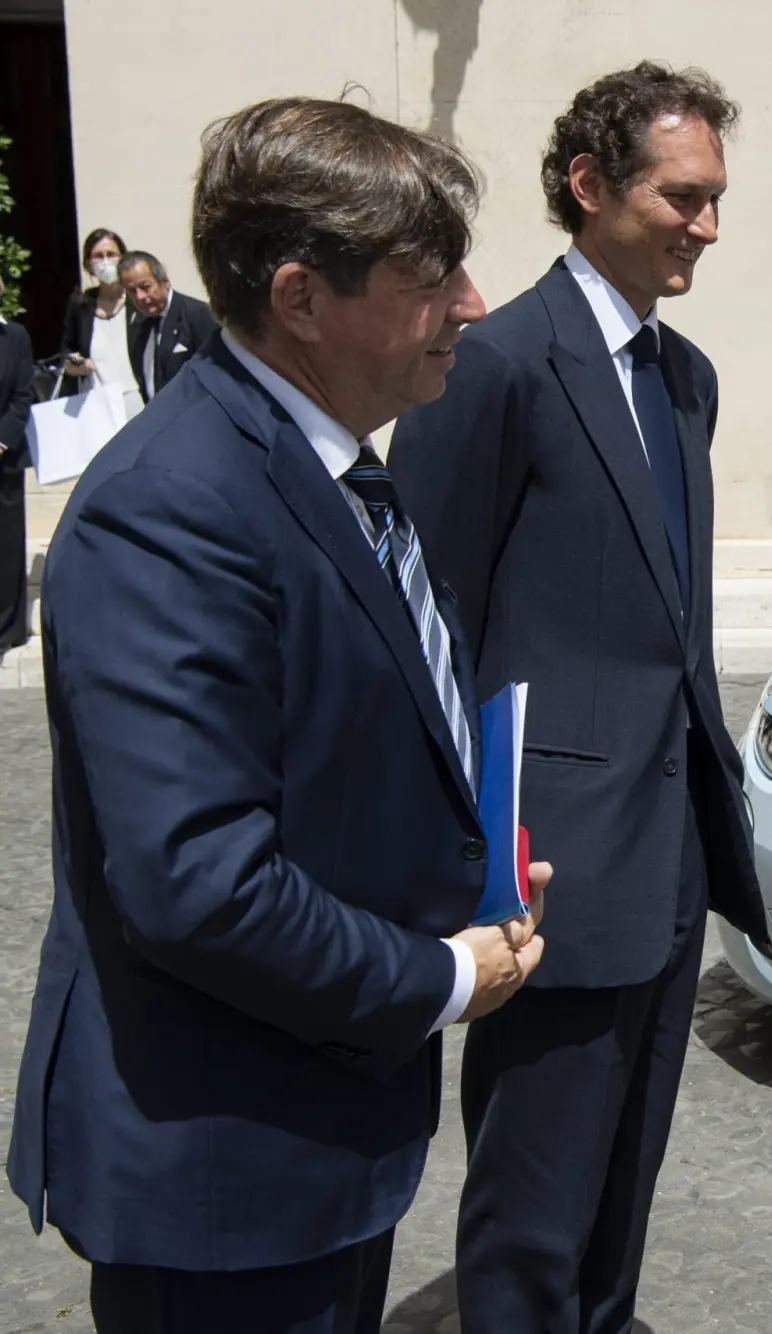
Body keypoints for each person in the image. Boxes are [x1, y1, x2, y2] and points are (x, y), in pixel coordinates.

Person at [6, 97, 551, 1334]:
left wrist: (475, 867)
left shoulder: (342, 465)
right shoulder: (174, 509)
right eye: (431, 277)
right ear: (301, 297)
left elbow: (348, 734)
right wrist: (436, 975)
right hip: (220, 1174)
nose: (471, 303)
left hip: (321, 1140)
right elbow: (198, 879)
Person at [391, 61, 772, 1332]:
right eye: (683, 196)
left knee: (622, 1199)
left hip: (665, 858)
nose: (707, 226)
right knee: (530, 1216)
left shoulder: (687, 380)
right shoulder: (493, 363)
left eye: (717, 198)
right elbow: (428, 625)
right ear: (589, 185)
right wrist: (470, 862)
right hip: (546, 870)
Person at [57, 227, 141, 415]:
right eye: (98, 256)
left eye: (111, 254)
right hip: (98, 404)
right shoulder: (80, 305)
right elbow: (67, 351)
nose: (105, 261)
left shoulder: (137, 300)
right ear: (88, 264)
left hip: (138, 399)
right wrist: (74, 365)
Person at [118, 250, 219, 403]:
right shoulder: (137, 324)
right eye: (132, 291)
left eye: (146, 287)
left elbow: (216, 374)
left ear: (164, 282)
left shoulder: (196, 314)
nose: (140, 297)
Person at [0, 275, 33, 651]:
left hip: (4, 459)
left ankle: (8, 628)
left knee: (6, 548)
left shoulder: (16, 337)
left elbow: (23, 396)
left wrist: (2, 440)